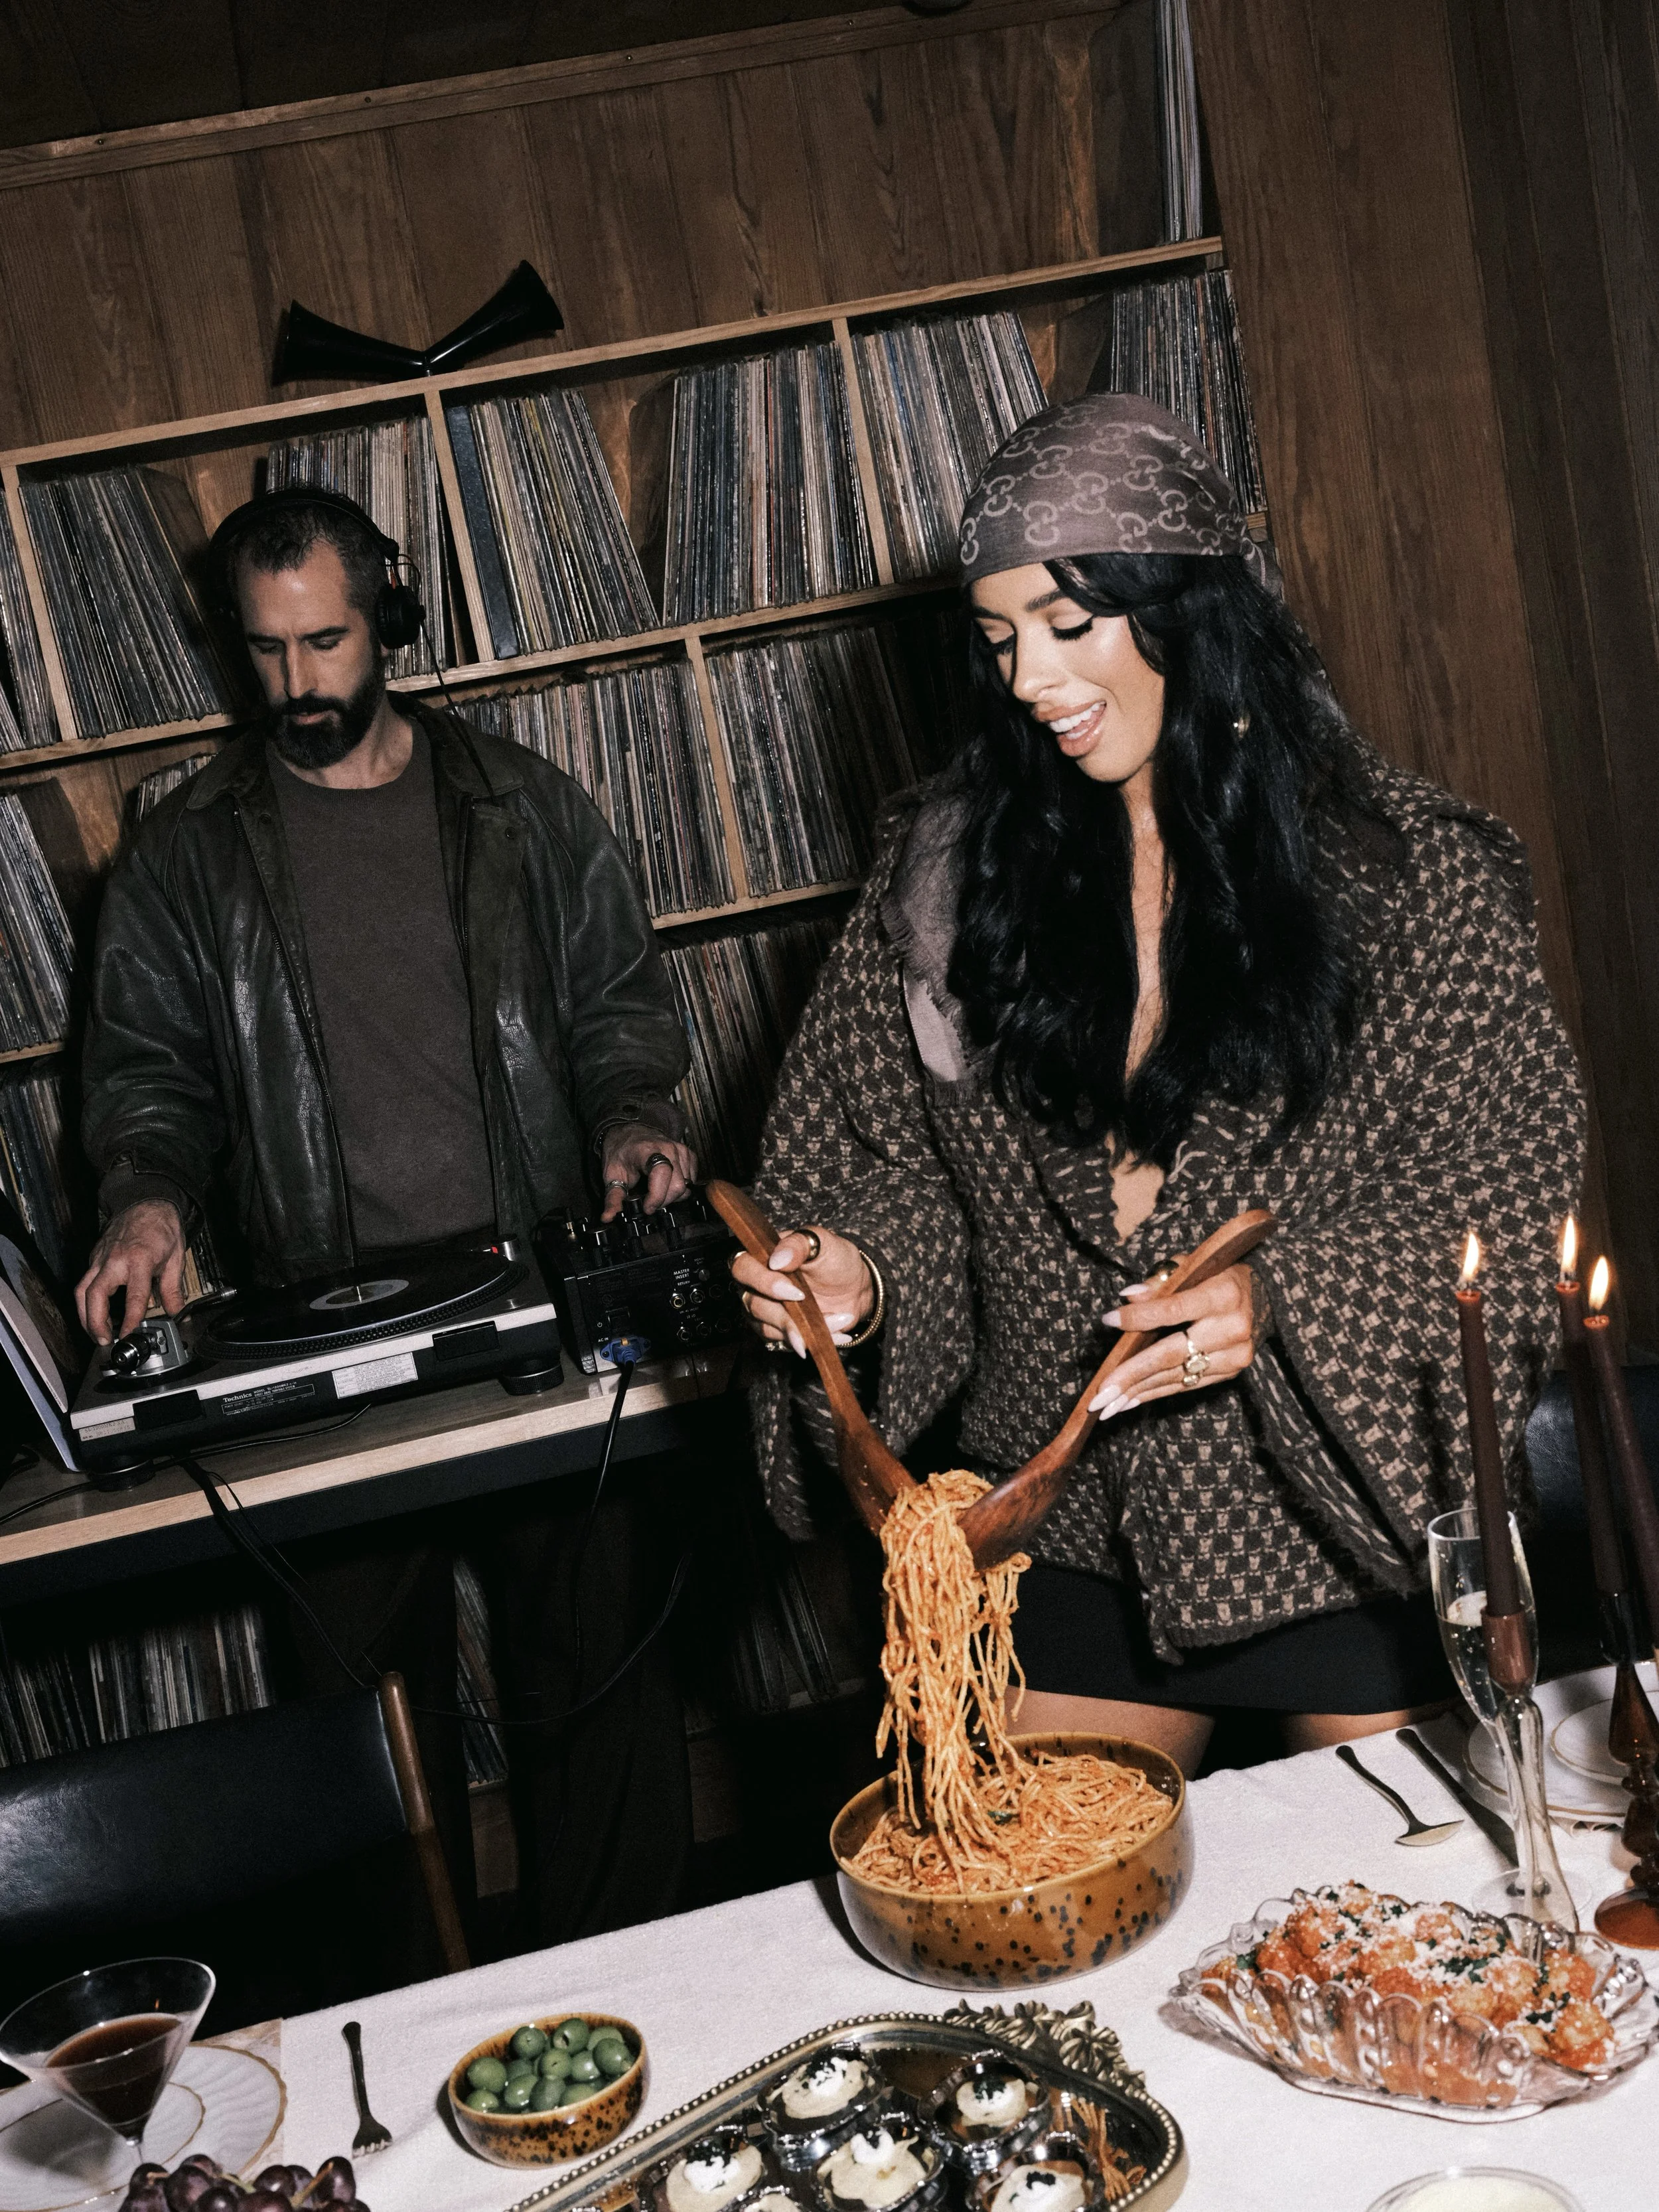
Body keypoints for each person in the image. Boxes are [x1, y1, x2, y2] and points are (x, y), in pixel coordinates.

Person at [733, 394, 1583, 1775]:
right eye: (998, 639)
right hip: (1055, 1534)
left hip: (1328, 1522)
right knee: (1024, 1917)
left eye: (1068, 628)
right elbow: (883, 1169)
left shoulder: (1409, 876)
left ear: (1186, 610)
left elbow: (1503, 1189)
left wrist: (1283, 1301)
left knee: (1422, 1913)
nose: (1027, 680)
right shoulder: (944, 883)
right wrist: (856, 1275)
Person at [76, 488, 695, 1956]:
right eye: (267, 651)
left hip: (540, 1307)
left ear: (391, 621)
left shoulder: (523, 805)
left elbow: (616, 1012)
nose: (298, 686)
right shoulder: (182, 854)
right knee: (360, 1747)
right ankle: (405, 2069)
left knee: (599, 1695)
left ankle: (646, 2023)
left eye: (329, 642)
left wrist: (631, 1119)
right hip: (318, 1341)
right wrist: (146, 1196)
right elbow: (147, 1074)